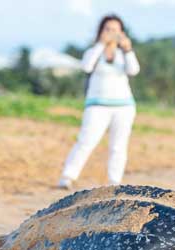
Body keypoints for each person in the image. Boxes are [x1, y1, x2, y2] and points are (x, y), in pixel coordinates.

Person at [58, 14, 140, 189]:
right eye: (108, 29)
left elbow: (134, 71)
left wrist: (128, 50)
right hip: (97, 105)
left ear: (122, 33)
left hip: (124, 106)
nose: (111, 33)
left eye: (115, 30)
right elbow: (86, 66)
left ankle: (114, 182)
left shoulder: (123, 54)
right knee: (86, 141)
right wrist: (101, 44)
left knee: (118, 146)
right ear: (101, 31)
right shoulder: (93, 51)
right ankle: (68, 176)